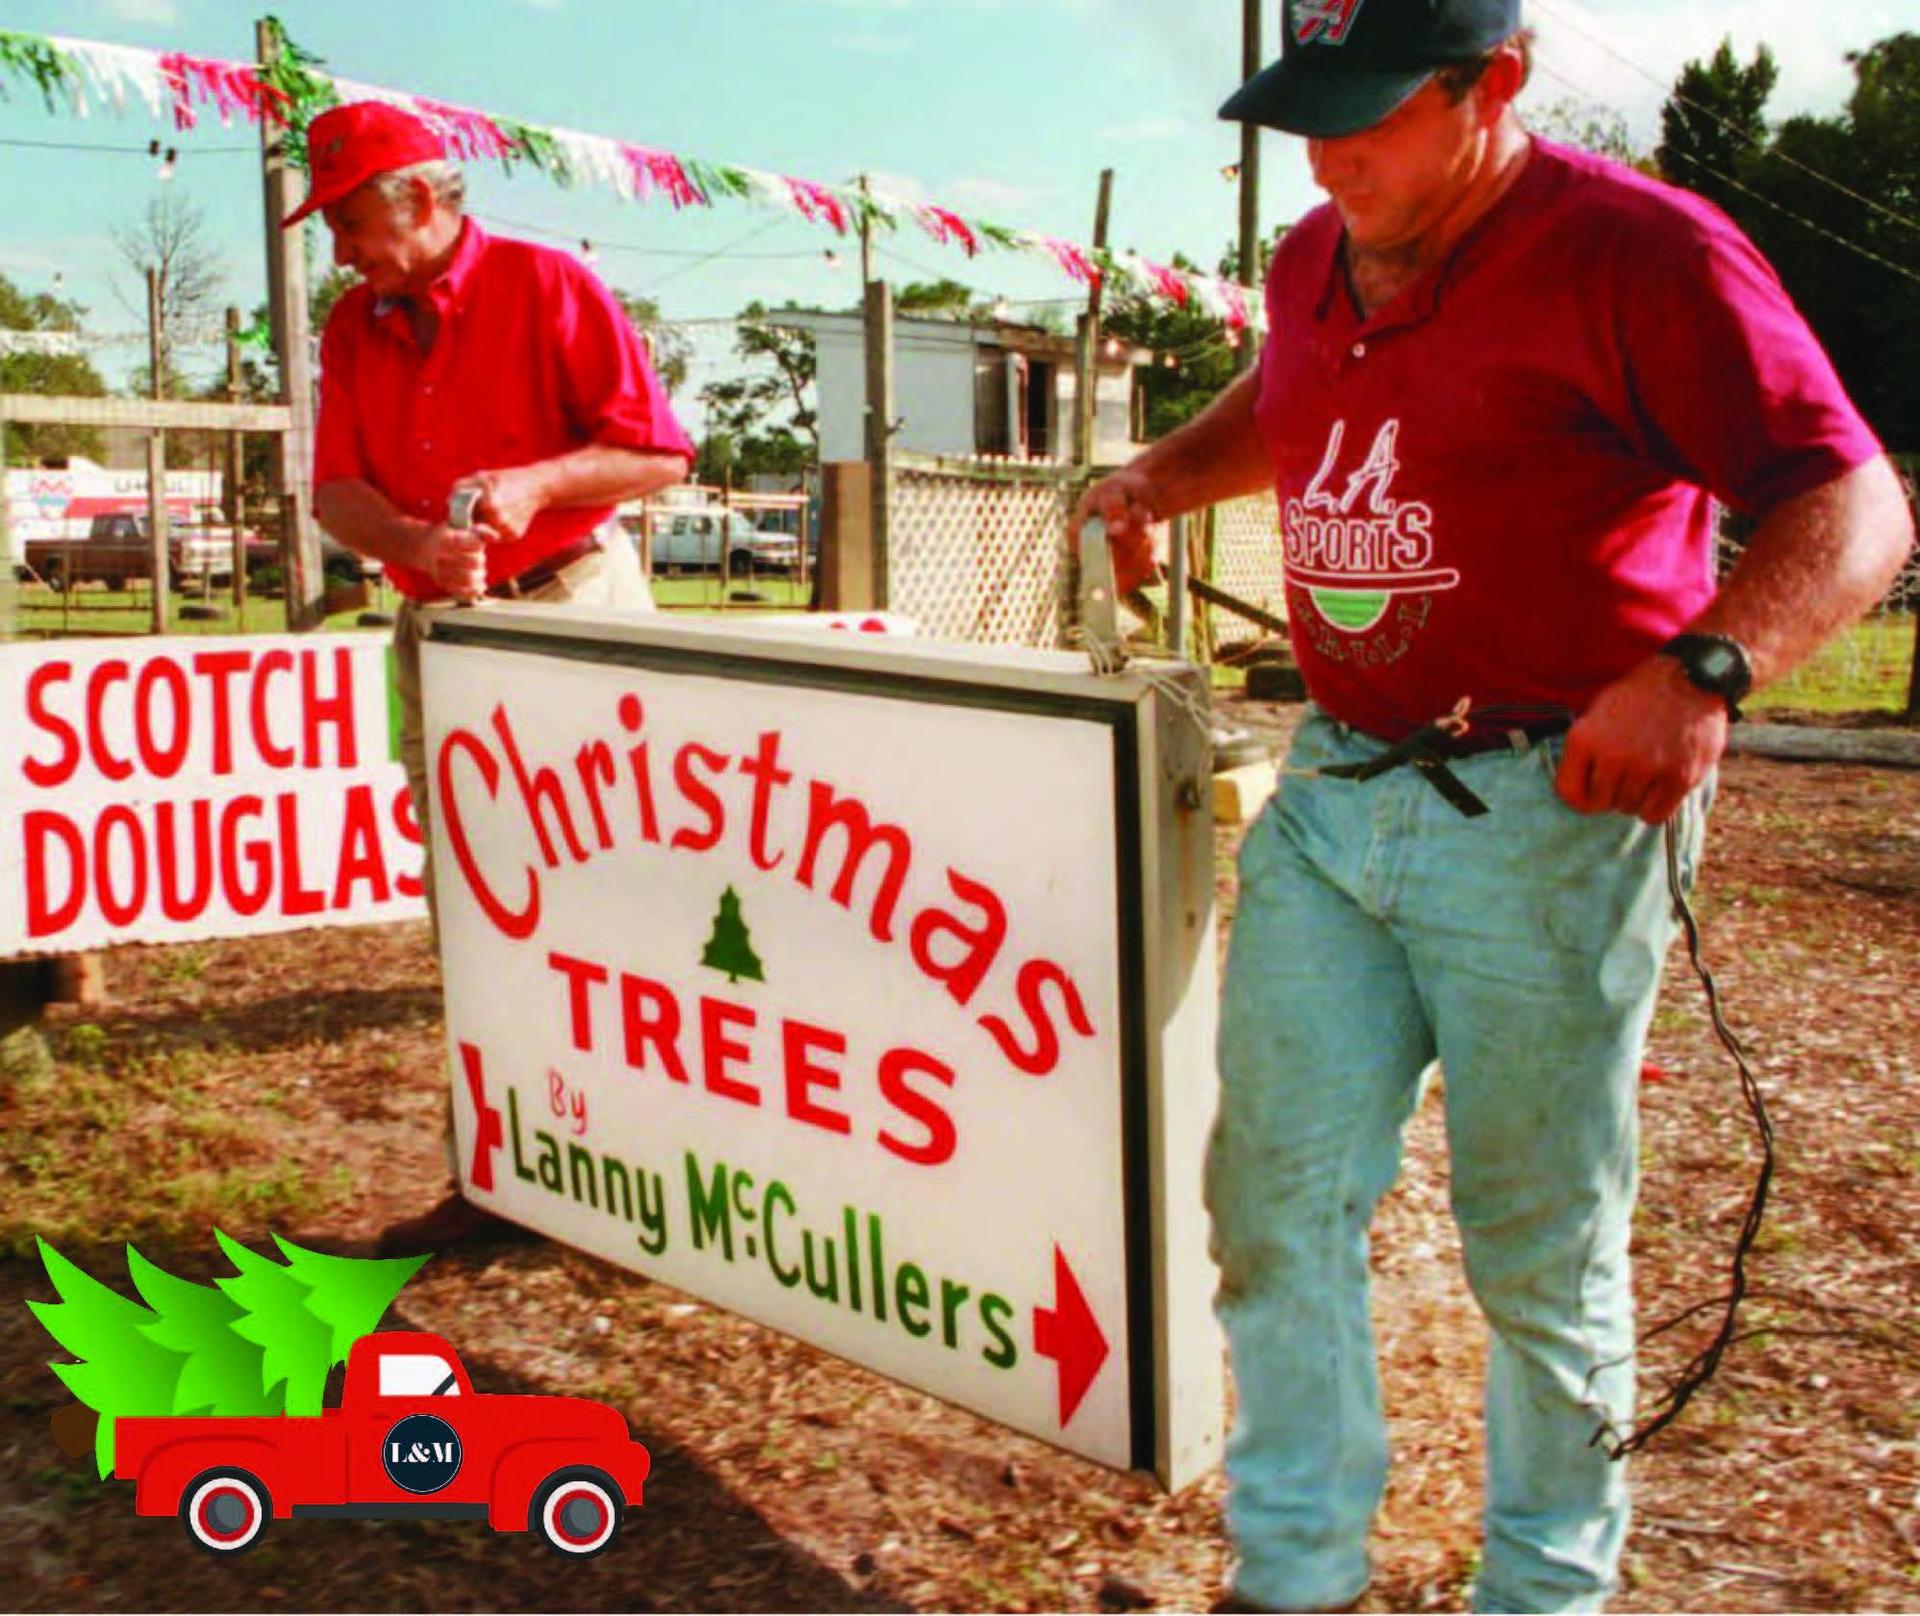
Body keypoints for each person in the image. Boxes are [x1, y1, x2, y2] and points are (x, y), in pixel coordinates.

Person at [1074, 1, 1915, 1609]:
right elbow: (1289, 398)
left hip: (1556, 807)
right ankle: (1296, 1572)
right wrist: (1161, 477)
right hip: (1338, 785)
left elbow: (1852, 494)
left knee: (1535, 1248)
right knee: (1273, 1195)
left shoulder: (1642, 253)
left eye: (1372, 110)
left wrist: (1704, 672)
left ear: (1496, 83)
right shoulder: (1321, 252)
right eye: (1308, 111)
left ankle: (1544, 1591)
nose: (1329, 151)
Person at [296, 100, 696, 1256]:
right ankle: (502, 1170)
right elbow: (336, 493)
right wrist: (418, 546)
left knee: (617, 897)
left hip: (571, 609)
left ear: (422, 200)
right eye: (331, 227)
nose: (342, 249)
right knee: (474, 908)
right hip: (446, 634)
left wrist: (537, 483)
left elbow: (660, 452)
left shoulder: (548, 286)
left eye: (351, 220)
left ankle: (644, 1184)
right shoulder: (349, 327)